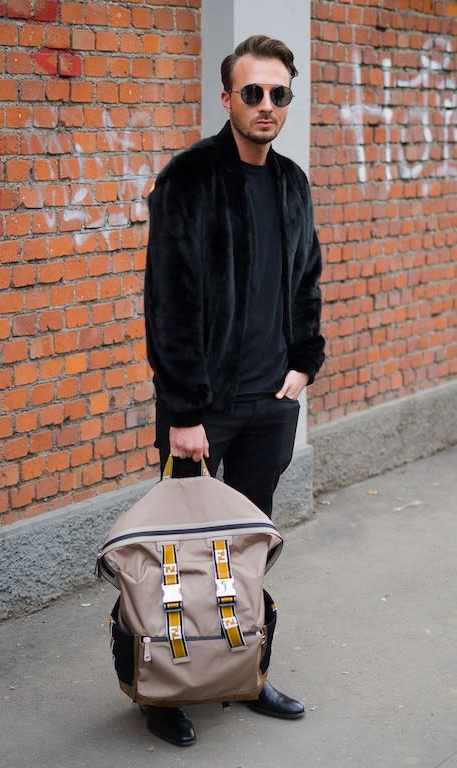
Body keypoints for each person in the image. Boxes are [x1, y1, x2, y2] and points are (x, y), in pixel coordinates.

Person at [143, 34, 325, 746]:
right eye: (253, 92)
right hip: (202, 410)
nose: (267, 106)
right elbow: (167, 301)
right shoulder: (188, 179)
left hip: (267, 408)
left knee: (247, 552)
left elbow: (306, 278)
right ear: (227, 98)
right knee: (182, 556)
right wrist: (184, 411)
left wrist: (304, 361)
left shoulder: (291, 182)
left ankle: (244, 673)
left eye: (279, 93)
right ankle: (163, 690)